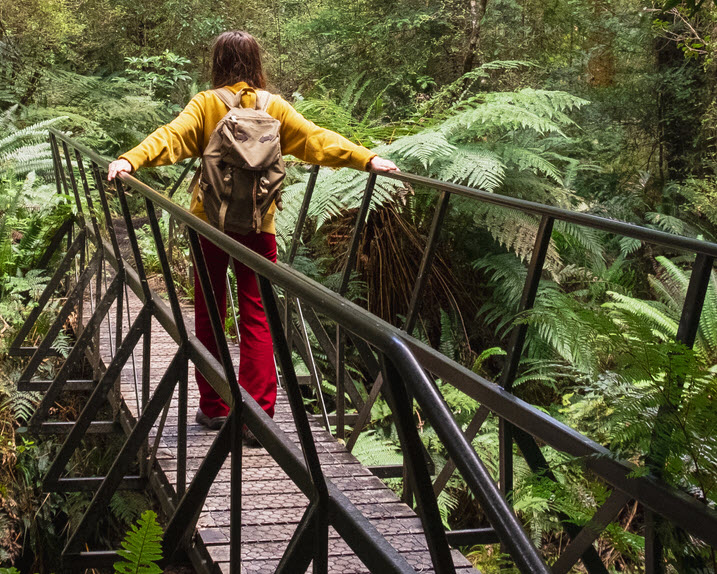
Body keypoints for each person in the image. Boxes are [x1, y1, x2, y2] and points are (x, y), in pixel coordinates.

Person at [107, 30, 398, 437]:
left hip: (209, 224)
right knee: (257, 316)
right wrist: (367, 158)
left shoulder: (207, 104)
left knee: (210, 313)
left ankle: (215, 407)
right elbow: (317, 140)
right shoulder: (275, 108)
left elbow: (170, 137)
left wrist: (129, 160)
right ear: (256, 63)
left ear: (218, 63)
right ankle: (258, 416)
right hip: (260, 226)